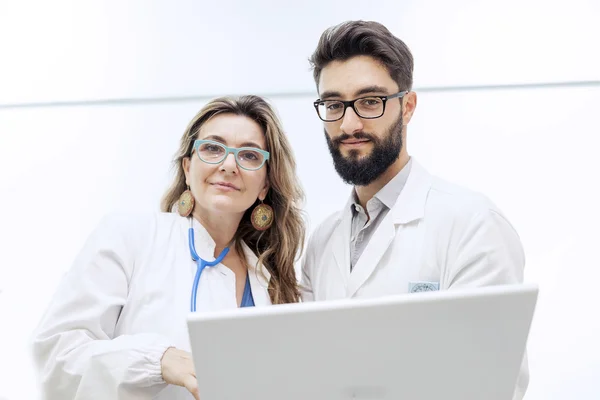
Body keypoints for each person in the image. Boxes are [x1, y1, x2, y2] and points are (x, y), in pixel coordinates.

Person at [300, 20, 528, 400]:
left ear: (407, 107)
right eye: (334, 104)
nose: (349, 123)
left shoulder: (473, 224)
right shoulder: (322, 243)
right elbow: (306, 371)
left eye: (370, 101)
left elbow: (491, 382)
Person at [32, 95, 306, 400]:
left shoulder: (273, 281)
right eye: (213, 148)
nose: (229, 165)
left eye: (250, 156)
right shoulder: (130, 237)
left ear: (265, 185)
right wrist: (156, 360)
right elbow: (57, 358)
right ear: (188, 169)